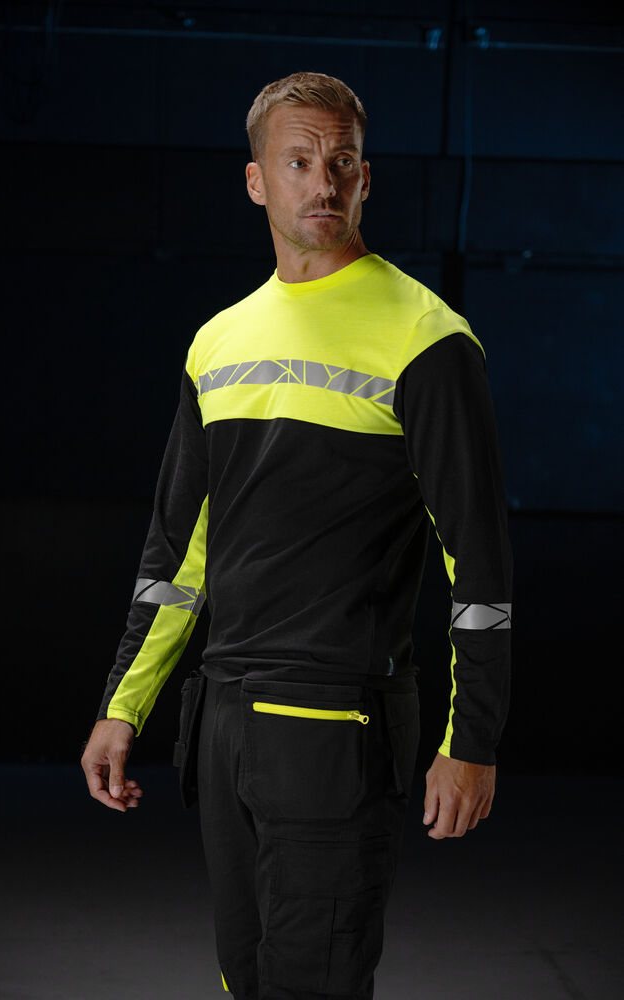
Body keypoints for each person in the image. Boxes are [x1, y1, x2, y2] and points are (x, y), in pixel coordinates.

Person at [81, 71, 512, 1000]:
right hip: (223, 723)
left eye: (342, 162)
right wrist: (124, 704)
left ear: (366, 179)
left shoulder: (426, 339)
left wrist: (470, 740)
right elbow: (177, 556)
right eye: (299, 162)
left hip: (335, 724)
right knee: (244, 979)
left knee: (311, 984)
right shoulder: (218, 342)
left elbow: (477, 566)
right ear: (255, 181)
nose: (324, 183)